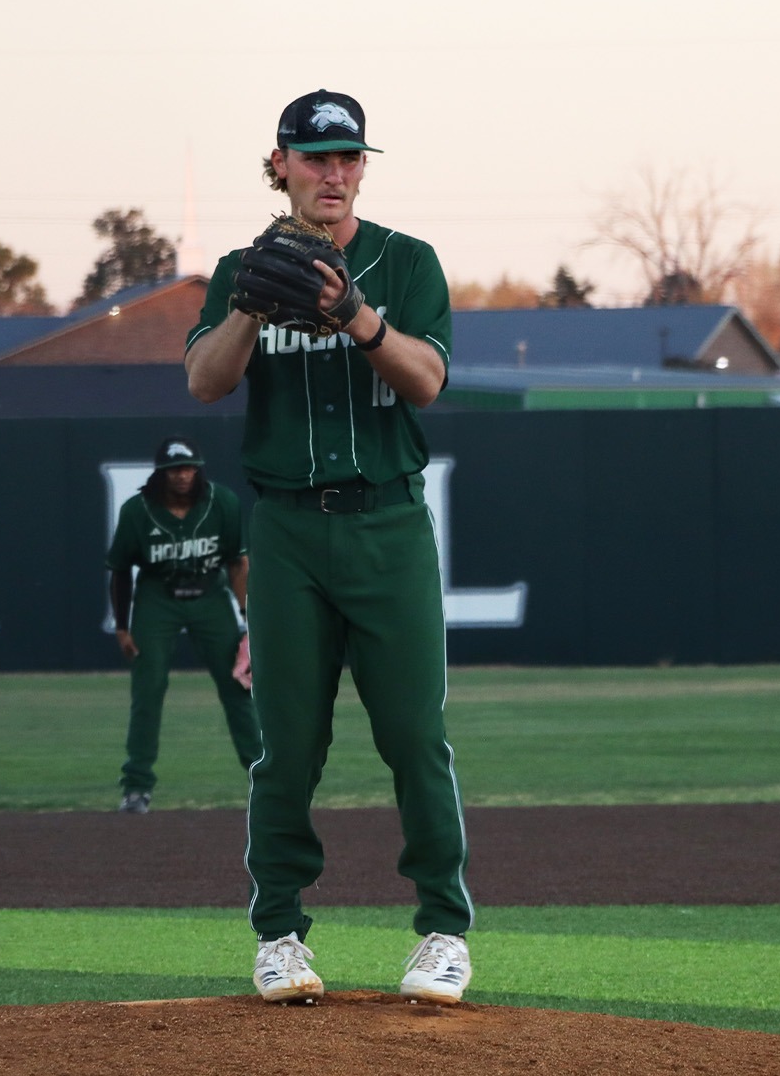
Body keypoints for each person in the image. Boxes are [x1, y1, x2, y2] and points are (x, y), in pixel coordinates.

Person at [183, 89, 473, 1005]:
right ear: (280, 165)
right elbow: (203, 381)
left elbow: (426, 382)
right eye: (315, 158)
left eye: (348, 158)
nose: (334, 174)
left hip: (387, 522)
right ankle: (278, 932)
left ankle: (442, 931)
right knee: (288, 745)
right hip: (290, 532)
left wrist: (358, 315)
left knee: (415, 736)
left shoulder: (409, 262)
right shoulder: (242, 267)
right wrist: (244, 303)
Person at [105, 436, 261, 814]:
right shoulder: (137, 511)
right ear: (160, 473)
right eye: (174, 469)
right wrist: (123, 627)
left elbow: (237, 563)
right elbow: (121, 571)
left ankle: (263, 776)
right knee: (149, 688)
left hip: (210, 595)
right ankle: (137, 786)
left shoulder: (220, 502)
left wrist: (249, 621)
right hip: (158, 598)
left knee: (238, 684)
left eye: (190, 467)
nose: (183, 476)